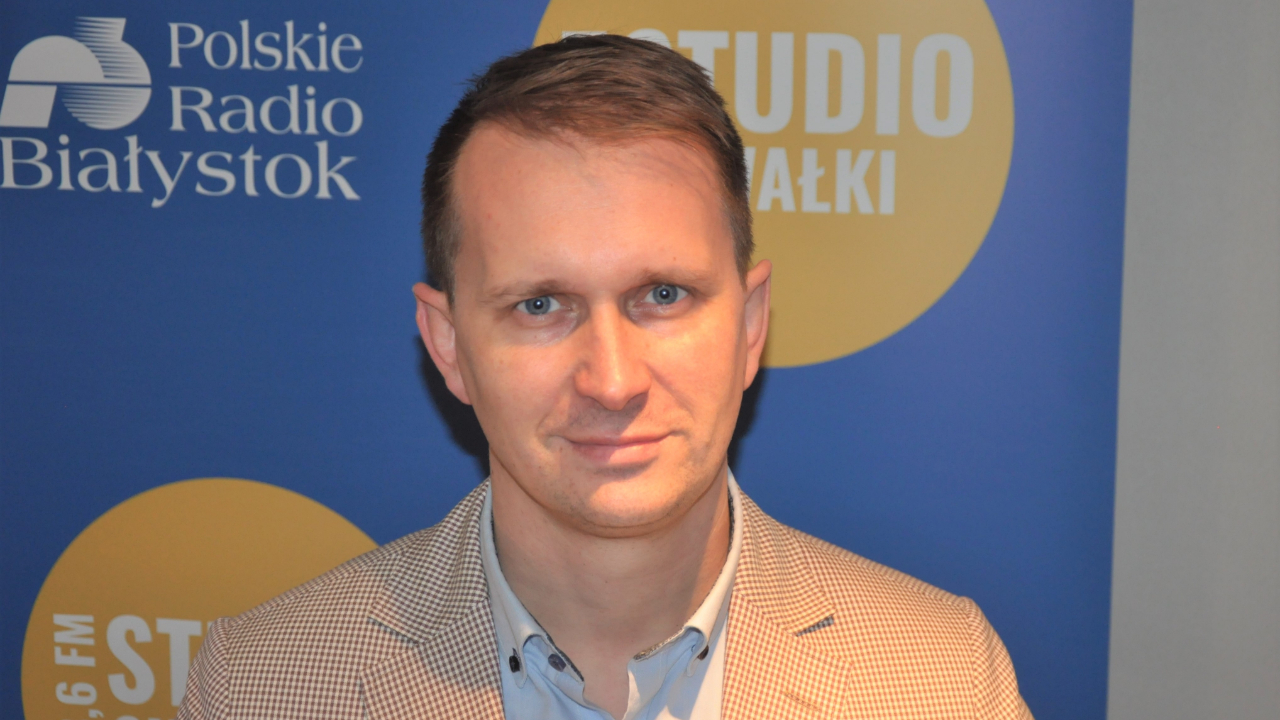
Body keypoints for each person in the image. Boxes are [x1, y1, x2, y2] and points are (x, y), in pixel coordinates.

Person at [177, 34, 1032, 720]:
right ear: (448, 345)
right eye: (541, 305)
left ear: (749, 325)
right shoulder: (259, 686)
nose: (613, 382)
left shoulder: (947, 681)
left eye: (663, 295)